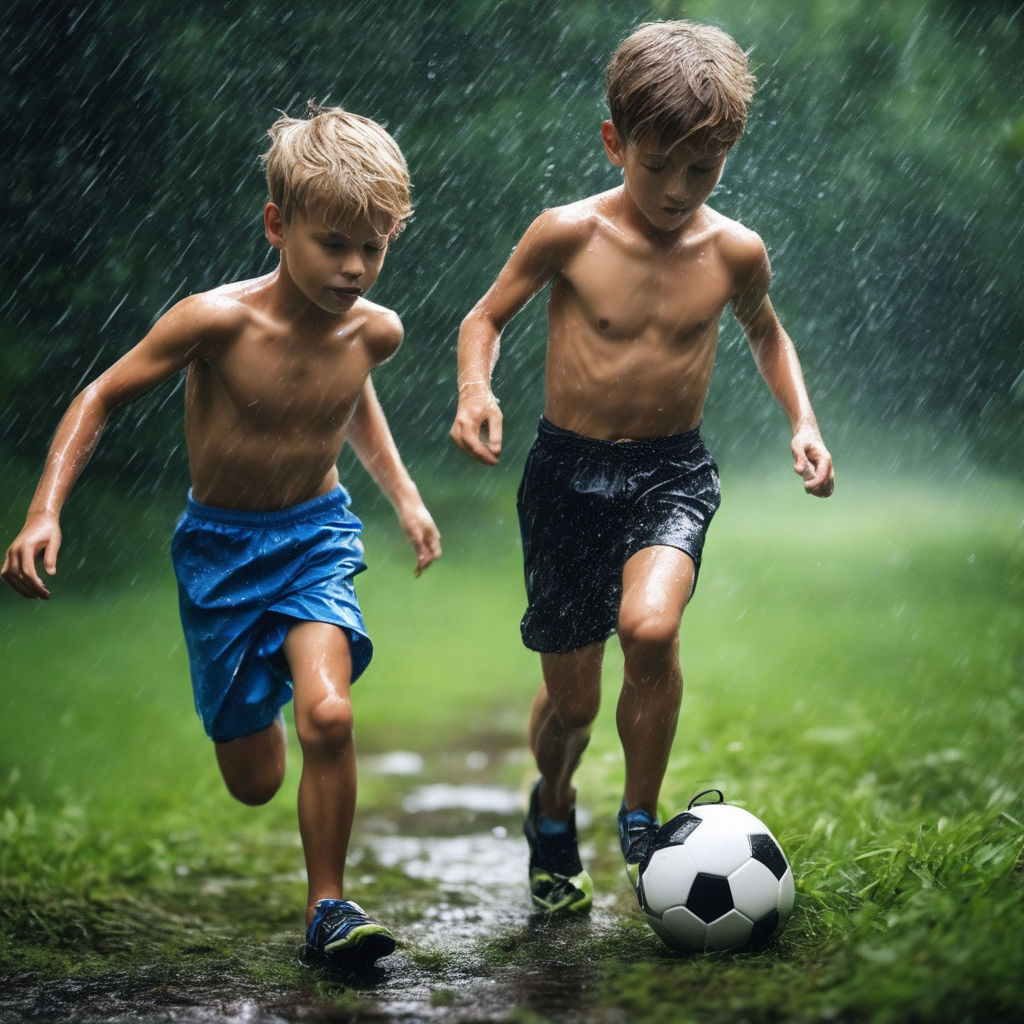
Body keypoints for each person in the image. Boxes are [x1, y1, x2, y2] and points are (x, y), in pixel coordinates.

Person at [2, 104, 442, 966]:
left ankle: (329, 910)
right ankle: (260, 693)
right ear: (279, 227)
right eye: (334, 244)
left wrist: (406, 497)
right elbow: (99, 396)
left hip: (315, 538)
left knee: (329, 714)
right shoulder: (213, 322)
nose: (356, 268)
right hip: (220, 552)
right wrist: (44, 509)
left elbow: (352, 397)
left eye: (374, 247)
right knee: (255, 781)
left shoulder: (375, 331)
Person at [450, 20, 834, 914]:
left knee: (652, 632)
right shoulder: (567, 235)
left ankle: (640, 814)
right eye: (657, 163)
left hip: (672, 472)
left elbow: (766, 333)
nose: (677, 189)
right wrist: (477, 390)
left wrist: (802, 422)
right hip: (566, 475)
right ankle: (552, 809)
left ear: (728, 153)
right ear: (615, 141)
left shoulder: (734, 251)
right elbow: (484, 319)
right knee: (573, 703)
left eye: (703, 170)